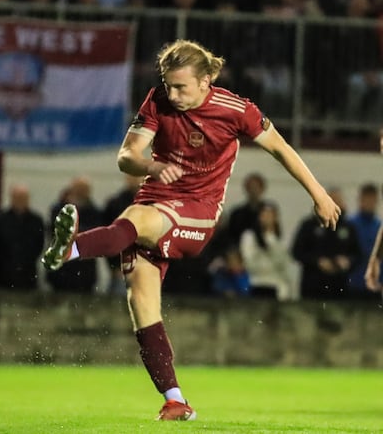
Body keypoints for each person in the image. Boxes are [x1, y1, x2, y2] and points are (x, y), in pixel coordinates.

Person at [41, 39, 341, 421]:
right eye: (168, 85)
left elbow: (281, 148)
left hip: (198, 212)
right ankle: (175, 400)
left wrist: (319, 195)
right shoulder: (158, 100)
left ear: (206, 80)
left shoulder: (236, 110)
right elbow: (126, 157)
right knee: (141, 304)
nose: (173, 94)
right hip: (155, 198)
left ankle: (71, 250)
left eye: (181, 86)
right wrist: (150, 168)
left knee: (137, 221)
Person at [291, 187, 358, 299]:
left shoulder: (348, 227)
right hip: (312, 285)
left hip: (340, 286)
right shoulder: (309, 225)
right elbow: (296, 252)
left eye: (338, 201)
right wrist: (317, 261)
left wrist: (348, 261)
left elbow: (358, 254)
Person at [0, 183, 45, 290]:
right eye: (18, 197)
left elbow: (39, 245)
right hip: (2, 274)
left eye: (23, 198)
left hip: (28, 273)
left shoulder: (36, 221)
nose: (20, 201)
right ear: (12, 198)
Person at [239, 201, 301, 301]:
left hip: (277, 285)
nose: (267, 218)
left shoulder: (281, 239)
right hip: (256, 282)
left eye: (270, 215)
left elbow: (284, 263)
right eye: (264, 215)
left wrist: (270, 237)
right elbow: (249, 262)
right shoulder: (249, 236)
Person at [346, 183, 381, 297]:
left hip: (375, 283)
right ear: (360, 199)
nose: (369, 203)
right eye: (367, 199)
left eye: (372, 200)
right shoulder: (350, 224)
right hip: (353, 283)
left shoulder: (379, 226)